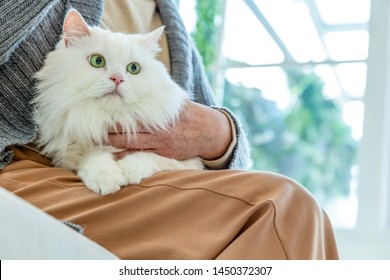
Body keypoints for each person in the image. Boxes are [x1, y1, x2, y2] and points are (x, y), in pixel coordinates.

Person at [0, 0, 339, 259]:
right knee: (284, 209)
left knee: (298, 218)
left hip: (152, 173)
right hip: (29, 168)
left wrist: (220, 133)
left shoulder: (169, 16)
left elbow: (223, 143)